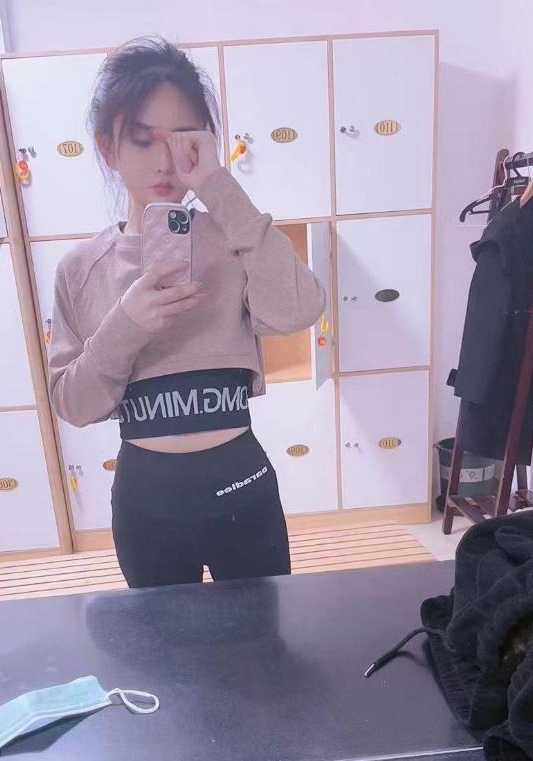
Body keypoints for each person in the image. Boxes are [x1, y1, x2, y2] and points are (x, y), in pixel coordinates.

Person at [48, 37, 325, 588]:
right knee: (163, 646)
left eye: (183, 140)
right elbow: (73, 405)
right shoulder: (81, 269)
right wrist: (126, 326)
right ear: (108, 146)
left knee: (260, 638)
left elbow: (300, 309)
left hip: (242, 492)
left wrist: (220, 188)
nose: (164, 161)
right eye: (142, 140)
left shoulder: (233, 240)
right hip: (146, 506)